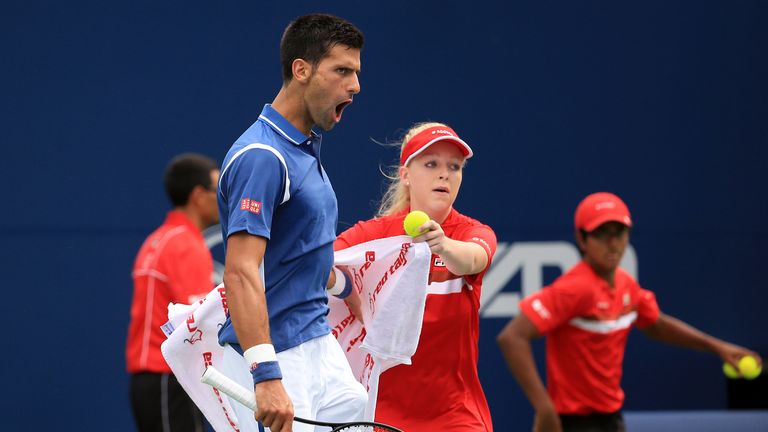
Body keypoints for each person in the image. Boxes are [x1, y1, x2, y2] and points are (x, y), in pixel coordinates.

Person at [496, 192, 763, 432]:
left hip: (612, 419)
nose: (613, 243)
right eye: (602, 233)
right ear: (582, 238)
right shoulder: (574, 288)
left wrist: (718, 347)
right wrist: (544, 407)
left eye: (619, 232)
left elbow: (656, 325)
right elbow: (512, 337)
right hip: (573, 423)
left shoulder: (626, 284)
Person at [215, 13, 367, 432]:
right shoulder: (264, 157)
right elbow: (242, 271)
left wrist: (342, 285)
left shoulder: (301, 150)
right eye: (342, 71)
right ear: (301, 70)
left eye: (355, 72)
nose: (355, 86)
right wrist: (266, 376)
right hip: (280, 357)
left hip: (319, 345)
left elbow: (293, 254)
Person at [335, 122, 497, 431]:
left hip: (456, 417)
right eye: (431, 163)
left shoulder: (474, 233)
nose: (444, 174)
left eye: (454, 166)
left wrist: (443, 245)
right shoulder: (372, 236)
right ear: (405, 174)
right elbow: (320, 266)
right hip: (380, 416)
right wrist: (347, 290)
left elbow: (474, 258)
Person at [126, 153, 220, 432]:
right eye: (218, 191)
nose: (223, 198)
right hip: (169, 378)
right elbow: (198, 322)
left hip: (152, 381)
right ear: (198, 195)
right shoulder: (185, 245)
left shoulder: (159, 239)